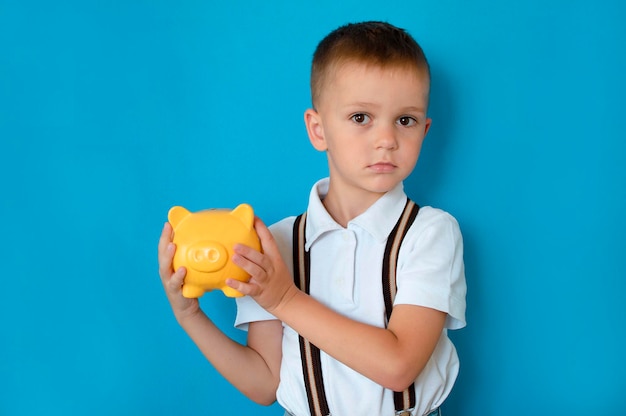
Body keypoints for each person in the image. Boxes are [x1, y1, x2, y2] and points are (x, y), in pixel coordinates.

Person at [158, 21, 466, 416]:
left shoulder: (430, 233)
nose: (386, 139)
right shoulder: (275, 242)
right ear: (318, 130)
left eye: (404, 120)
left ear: (424, 130)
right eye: (361, 117)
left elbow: (399, 366)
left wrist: (283, 298)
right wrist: (188, 315)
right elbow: (265, 383)